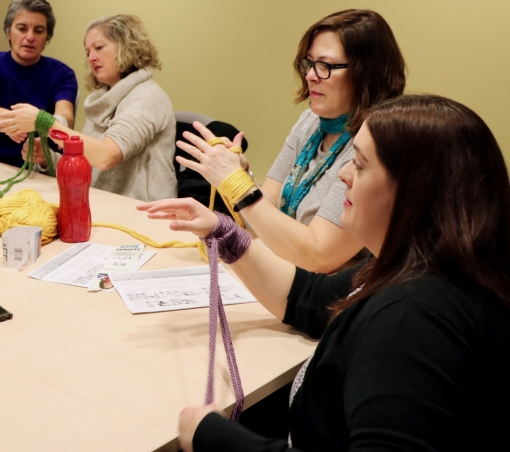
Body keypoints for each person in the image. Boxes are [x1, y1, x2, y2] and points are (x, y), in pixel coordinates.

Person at [140, 94, 510, 452]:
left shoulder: (411, 320)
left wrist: (212, 437)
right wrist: (226, 234)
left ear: (414, 192)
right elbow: (309, 299)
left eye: (360, 164)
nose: (344, 175)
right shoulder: (417, 266)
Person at [176, 9, 405, 272]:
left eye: (325, 66)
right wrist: (241, 175)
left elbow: (320, 255)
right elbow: (267, 205)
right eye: (309, 63)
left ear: (367, 74)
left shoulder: (376, 143)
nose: (310, 75)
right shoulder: (309, 122)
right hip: (294, 272)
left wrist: (239, 187)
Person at [0, 15, 177, 202]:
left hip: (144, 214)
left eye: (98, 48)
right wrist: (47, 158)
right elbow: (89, 168)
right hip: (100, 203)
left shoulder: (148, 96)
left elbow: (105, 156)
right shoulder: (101, 100)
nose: (91, 58)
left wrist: (44, 123)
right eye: (88, 52)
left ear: (127, 46)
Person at [0, 0, 78, 167]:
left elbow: (65, 116)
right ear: (8, 33)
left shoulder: (62, 74)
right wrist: (16, 123)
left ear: (46, 39)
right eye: (22, 28)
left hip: (39, 169)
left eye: (39, 31)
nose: (30, 37)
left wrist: (38, 124)